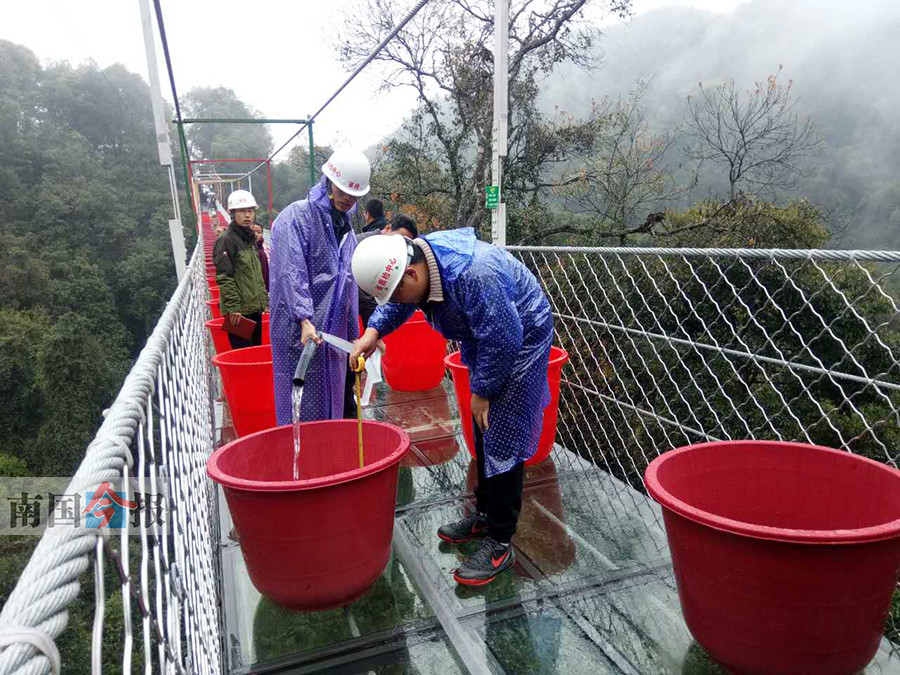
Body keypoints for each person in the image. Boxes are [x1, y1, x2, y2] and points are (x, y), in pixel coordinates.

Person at [350, 227, 554, 586]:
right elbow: (400, 302)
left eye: (399, 291)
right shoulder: (420, 264)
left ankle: (500, 541)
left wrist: (485, 388)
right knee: (482, 424)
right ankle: (485, 514)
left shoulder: (473, 274)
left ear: (411, 273)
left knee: (502, 434)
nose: (400, 301)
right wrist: (373, 332)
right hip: (487, 334)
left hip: (522, 338)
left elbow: (505, 339)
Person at [269, 148, 371, 424]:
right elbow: (291, 271)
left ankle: (328, 458)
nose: (347, 199)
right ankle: (303, 463)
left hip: (333, 333)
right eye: (342, 191)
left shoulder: (347, 231)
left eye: (354, 196)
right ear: (329, 183)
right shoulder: (297, 218)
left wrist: (353, 333)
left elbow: (348, 286)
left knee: (333, 402)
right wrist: (303, 318)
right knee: (301, 407)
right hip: (299, 332)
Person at [213, 190, 268, 349]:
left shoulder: (250, 238)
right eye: (242, 211)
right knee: (244, 353)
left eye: (250, 211)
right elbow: (224, 277)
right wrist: (233, 307)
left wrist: (264, 300)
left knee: (256, 351)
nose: (247, 215)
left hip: (254, 308)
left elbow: (256, 274)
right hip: (239, 313)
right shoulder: (226, 240)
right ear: (232, 213)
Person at [356, 213, 419, 327]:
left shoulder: (399, 259)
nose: (401, 246)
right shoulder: (361, 244)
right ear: (388, 228)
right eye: (400, 239)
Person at [251, 222, 270, 292]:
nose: (256, 234)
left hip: (263, 288)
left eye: (259, 232)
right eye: (253, 231)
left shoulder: (262, 249)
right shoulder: (245, 249)